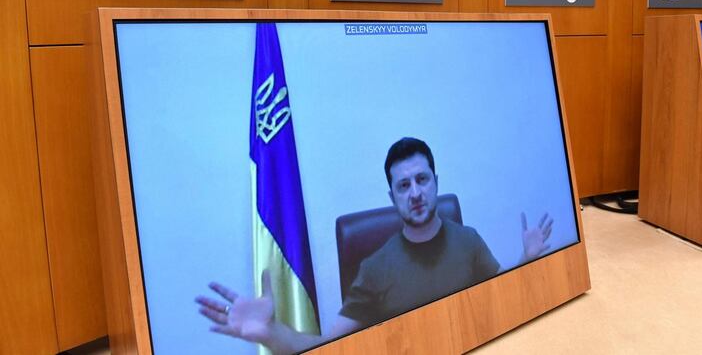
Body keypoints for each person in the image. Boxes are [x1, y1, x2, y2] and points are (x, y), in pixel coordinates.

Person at [196, 137, 553, 354]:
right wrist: (273, 334)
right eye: (403, 185)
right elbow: (327, 348)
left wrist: (527, 259)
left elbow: (499, 298)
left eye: (422, 179)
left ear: (435, 182)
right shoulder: (375, 268)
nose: (415, 193)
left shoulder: (469, 240)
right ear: (392, 196)